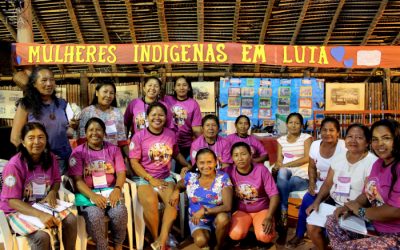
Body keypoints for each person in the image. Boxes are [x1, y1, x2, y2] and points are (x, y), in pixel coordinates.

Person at [0, 122, 77, 250]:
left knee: (71, 220)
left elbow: (57, 180)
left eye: (41, 137)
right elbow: (12, 201)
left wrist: (53, 192)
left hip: (41, 205)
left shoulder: (50, 158)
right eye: (31, 138)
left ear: (46, 140)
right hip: (16, 212)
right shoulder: (14, 165)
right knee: (42, 237)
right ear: (23, 142)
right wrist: (40, 215)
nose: (36, 142)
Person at [326, 119, 400, 249]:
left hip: (395, 234)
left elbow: (395, 211)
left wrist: (360, 211)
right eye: (375, 139)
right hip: (374, 225)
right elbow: (368, 192)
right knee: (333, 221)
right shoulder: (378, 164)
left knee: (345, 248)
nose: (380, 144)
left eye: (386, 138)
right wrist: (348, 207)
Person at [129, 102, 191, 250]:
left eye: (161, 115)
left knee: (172, 201)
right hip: (144, 178)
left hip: (164, 177)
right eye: (154, 114)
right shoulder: (139, 136)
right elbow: (134, 163)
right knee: (150, 203)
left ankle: (161, 240)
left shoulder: (170, 134)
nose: (157, 118)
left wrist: (187, 165)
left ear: (166, 117)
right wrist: (150, 179)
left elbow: (175, 153)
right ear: (147, 117)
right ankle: (157, 237)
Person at [305, 124, 378, 249]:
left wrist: (347, 208)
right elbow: (328, 183)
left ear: (367, 142)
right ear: (345, 139)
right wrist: (317, 201)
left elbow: (367, 193)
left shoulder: (373, 162)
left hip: (357, 207)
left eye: (359, 137)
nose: (353, 140)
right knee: (311, 226)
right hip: (334, 202)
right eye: (350, 136)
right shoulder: (338, 158)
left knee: (341, 230)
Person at [286, 117, 346, 248]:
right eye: (324, 130)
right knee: (306, 203)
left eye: (331, 130)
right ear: (320, 132)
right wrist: (312, 183)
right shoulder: (314, 145)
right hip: (320, 184)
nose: (327, 133)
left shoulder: (344, 146)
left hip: (338, 186)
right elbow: (312, 167)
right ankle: (299, 234)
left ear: (338, 133)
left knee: (325, 209)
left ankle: (324, 240)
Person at [68, 117, 127, 250]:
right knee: (94, 215)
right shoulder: (78, 152)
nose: (95, 133)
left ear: (104, 133)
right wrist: (93, 196)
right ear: (85, 133)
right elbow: (77, 180)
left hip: (110, 191)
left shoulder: (113, 149)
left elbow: (121, 172)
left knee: (120, 212)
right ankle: (102, 247)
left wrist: (117, 188)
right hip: (88, 194)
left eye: (98, 130)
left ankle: (118, 245)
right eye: (91, 130)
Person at [11, 66, 74, 174]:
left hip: (64, 160)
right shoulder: (26, 105)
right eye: (44, 80)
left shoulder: (62, 103)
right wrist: (35, 157)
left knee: (65, 190)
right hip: (40, 162)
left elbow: (65, 130)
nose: (49, 84)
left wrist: (72, 128)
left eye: (52, 80)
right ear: (34, 84)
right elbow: (15, 138)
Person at [170, 148, 233, 250]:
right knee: (201, 241)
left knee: (223, 219)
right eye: (202, 163)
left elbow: (227, 206)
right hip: (198, 219)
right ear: (197, 163)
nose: (206, 166)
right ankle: (208, 239)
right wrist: (176, 191)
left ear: (216, 162)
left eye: (209, 162)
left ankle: (219, 246)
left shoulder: (222, 178)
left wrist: (205, 211)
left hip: (218, 216)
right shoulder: (191, 177)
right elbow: (180, 184)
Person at [226, 142, 279, 248]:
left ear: (250, 155)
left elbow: (274, 195)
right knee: (235, 233)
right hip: (242, 211)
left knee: (264, 235)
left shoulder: (261, 170)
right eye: (236, 155)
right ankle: (246, 236)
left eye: (243, 154)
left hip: (262, 210)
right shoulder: (229, 171)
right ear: (232, 158)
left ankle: (260, 239)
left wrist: (269, 217)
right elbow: (210, 172)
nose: (240, 158)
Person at [273, 112, 312, 227]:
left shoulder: (306, 138)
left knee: (280, 185)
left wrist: (287, 164)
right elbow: (280, 160)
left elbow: (307, 158)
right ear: (286, 124)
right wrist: (278, 165)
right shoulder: (281, 140)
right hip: (285, 172)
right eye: (291, 122)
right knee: (281, 172)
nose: (293, 125)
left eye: (297, 123)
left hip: (302, 173)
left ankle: (282, 209)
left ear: (301, 125)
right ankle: (284, 210)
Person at [78, 81, 129, 156]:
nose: (108, 95)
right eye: (105, 92)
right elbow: (82, 139)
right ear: (97, 93)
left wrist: (129, 158)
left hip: (113, 156)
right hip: (91, 156)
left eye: (111, 93)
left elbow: (121, 140)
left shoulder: (118, 113)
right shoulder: (86, 112)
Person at [163, 76, 203, 172]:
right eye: (178, 85)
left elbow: (196, 129)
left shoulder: (193, 104)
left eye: (184, 85)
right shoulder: (166, 99)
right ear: (174, 88)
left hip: (186, 146)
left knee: (184, 173)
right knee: (169, 174)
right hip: (168, 143)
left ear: (189, 88)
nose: (181, 88)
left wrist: (203, 144)